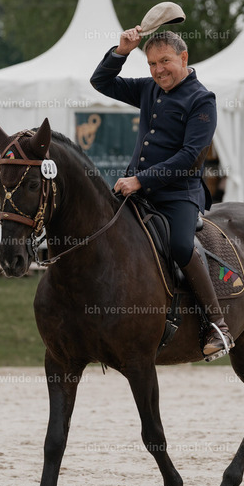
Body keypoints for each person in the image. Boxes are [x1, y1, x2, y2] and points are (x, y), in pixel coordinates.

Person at [90, 26, 234, 357]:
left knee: (181, 246)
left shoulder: (203, 100)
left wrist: (141, 180)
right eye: (152, 64)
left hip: (178, 194)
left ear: (184, 57)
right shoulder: (149, 88)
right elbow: (101, 82)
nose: (158, 70)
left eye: (164, 61)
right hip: (136, 190)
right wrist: (122, 51)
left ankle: (218, 325)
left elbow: (189, 157)